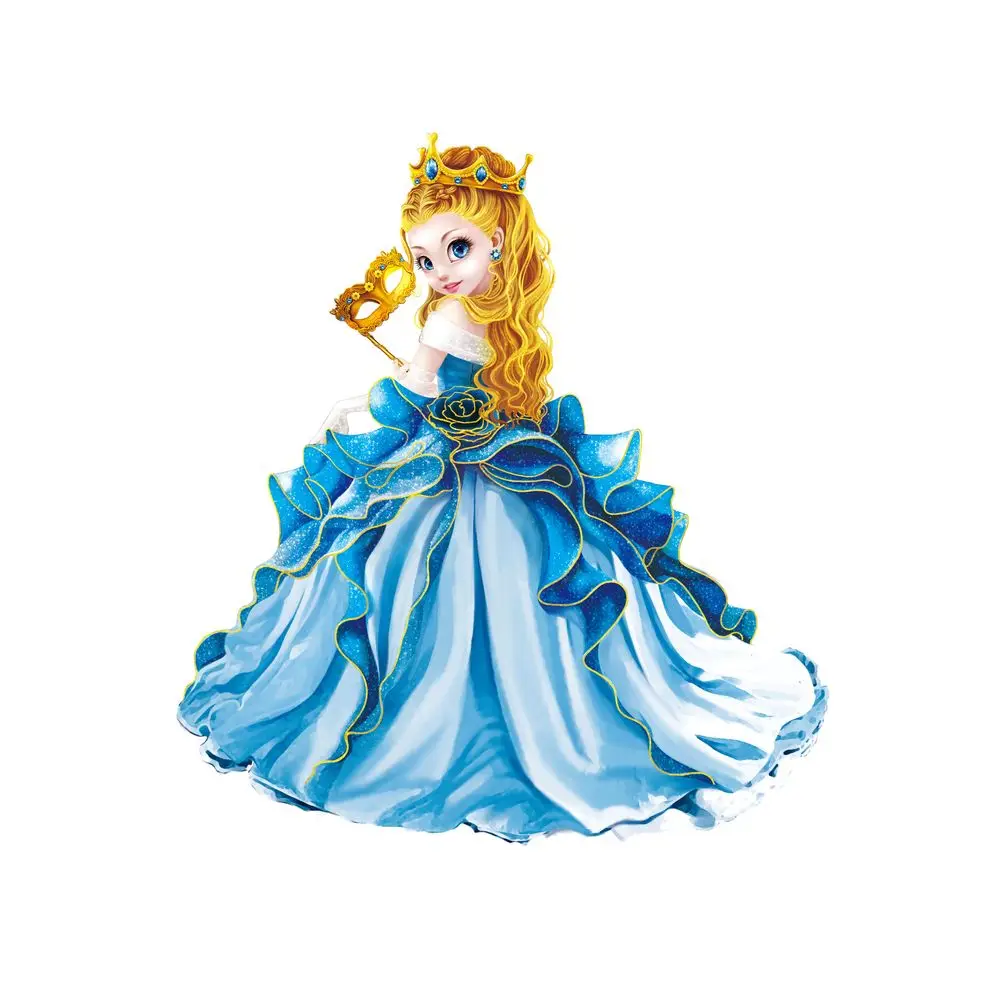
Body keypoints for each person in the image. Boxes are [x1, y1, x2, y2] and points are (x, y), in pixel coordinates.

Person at [178, 134, 827, 841]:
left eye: (455, 249)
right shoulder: (505, 314)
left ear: (496, 238)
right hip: (511, 457)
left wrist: (356, 406)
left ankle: (441, 723)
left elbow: (416, 388)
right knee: (542, 571)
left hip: (460, 466)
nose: (439, 272)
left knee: (404, 581)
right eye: (424, 259)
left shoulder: (446, 317)